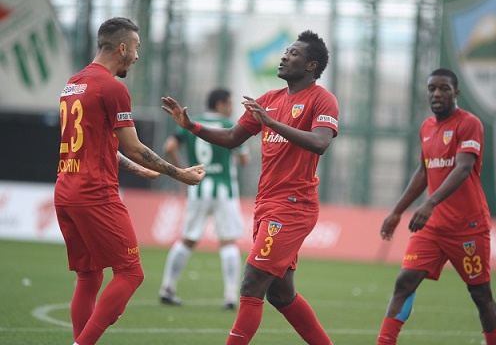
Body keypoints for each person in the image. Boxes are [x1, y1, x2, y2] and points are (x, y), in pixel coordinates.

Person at [162, 30, 338, 345]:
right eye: (285, 50)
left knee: (251, 284)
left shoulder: (322, 99)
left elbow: (320, 143)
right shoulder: (269, 100)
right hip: (266, 205)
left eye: (293, 53)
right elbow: (232, 138)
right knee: (281, 295)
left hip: (293, 206)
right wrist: (192, 127)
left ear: (311, 66)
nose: (284, 56)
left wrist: (271, 124)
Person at [54, 17, 206, 345]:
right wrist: (178, 173)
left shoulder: (73, 84)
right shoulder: (113, 87)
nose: (137, 56)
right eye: (136, 48)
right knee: (131, 273)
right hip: (95, 194)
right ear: (122, 48)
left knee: (90, 276)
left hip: (65, 191)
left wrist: (137, 170)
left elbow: (95, 143)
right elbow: (134, 147)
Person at [377, 68, 496, 345]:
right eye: (432, 88)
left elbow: (463, 168)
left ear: (456, 93)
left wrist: (430, 203)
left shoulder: (469, 124)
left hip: (467, 226)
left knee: (481, 294)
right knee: (404, 281)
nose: (436, 93)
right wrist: (397, 211)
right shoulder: (426, 127)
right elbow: (423, 172)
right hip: (432, 227)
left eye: (444, 88)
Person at [159, 87, 250, 309]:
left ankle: (168, 288)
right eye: (229, 103)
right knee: (228, 241)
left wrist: (182, 172)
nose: (231, 108)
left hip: (197, 188)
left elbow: (169, 147)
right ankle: (230, 296)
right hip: (224, 190)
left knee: (187, 239)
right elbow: (245, 159)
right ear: (220, 105)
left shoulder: (191, 121)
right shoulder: (230, 126)